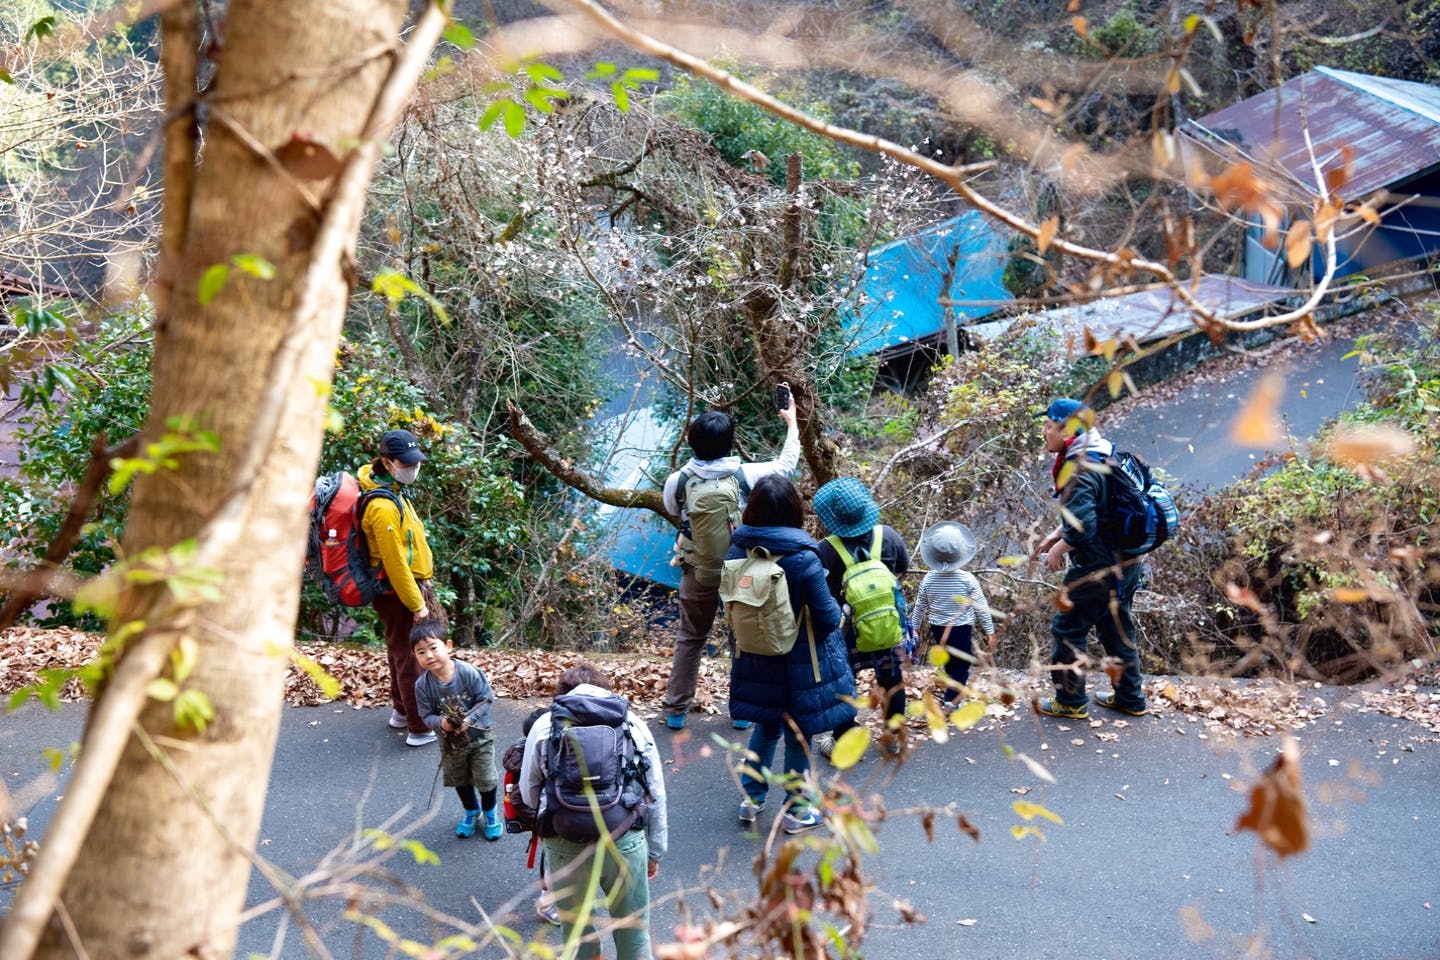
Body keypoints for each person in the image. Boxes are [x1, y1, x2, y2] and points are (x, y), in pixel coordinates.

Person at [660, 398, 801, 730]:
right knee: (743, 638)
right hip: (742, 572)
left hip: (698, 570)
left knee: (690, 637)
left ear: (692, 442)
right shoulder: (746, 475)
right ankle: (742, 712)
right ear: (731, 442)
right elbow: (787, 465)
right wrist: (792, 423)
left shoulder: (678, 481)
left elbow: (673, 510)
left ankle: (676, 710)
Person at [727, 475, 855, 833]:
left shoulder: (738, 551)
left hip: (753, 655)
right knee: (799, 733)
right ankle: (798, 811)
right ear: (793, 511)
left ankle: (750, 799)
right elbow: (828, 619)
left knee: (766, 726)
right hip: (800, 662)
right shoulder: (803, 557)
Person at [520, 663, 667, 960]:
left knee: (579, 937)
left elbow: (529, 793)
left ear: (561, 695)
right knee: (634, 935)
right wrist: (655, 852)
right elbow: (656, 794)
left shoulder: (545, 725)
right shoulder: (632, 724)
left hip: (565, 842)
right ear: (606, 691)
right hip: (623, 840)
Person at [1031, 398, 1148, 720]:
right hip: (1126, 562)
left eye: (1049, 425)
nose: (1044, 432)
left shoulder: (1078, 469)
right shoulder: (1100, 451)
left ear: (1067, 432)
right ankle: (1130, 698)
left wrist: (1057, 551)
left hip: (1097, 568)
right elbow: (1095, 508)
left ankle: (1070, 701)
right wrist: (1057, 534)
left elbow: (1082, 529)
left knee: (1067, 629)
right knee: (1116, 629)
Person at [811, 478, 910, 759]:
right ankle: (893, 737)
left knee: (844, 683)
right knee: (892, 680)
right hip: (887, 624)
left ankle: (844, 742)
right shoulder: (888, 535)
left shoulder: (826, 549)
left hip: (846, 632)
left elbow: (822, 590)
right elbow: (901, 569)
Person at [359, 428, 437, 746]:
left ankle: (402, 711)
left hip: (403, 588)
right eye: (406, 463)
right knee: (410, 656)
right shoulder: (383, 507)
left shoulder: (390, 490)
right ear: (388, 462)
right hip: (398, 591)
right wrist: (417, 603)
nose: (413, 468)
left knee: (399, 651)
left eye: (415, 461)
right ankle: (418, 727)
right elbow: (395, 564)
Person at [412, 620, 503, 840]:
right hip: (451, 744)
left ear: (448, 646)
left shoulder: (469, 673)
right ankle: (472, 811)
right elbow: (426, 716)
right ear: (415, 656)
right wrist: (442, 723)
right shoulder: (422, 686)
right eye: (421, 652)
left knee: (486, 779)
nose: (429, 655)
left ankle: (491, 813)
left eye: (433, 647)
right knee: (459, 779)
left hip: (480, 736)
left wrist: (468, 719)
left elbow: (486, 699)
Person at [912, 521, 995, 708]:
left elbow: (920, 605)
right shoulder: (967, 580)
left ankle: (951, 690)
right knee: (962, 664)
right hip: (961, 629)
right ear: (961, 553)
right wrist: (990, 631)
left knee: (950, 661)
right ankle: (952, 700)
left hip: (938, 628)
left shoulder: (928, 579)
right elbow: (981, 607)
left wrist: (915, 626)